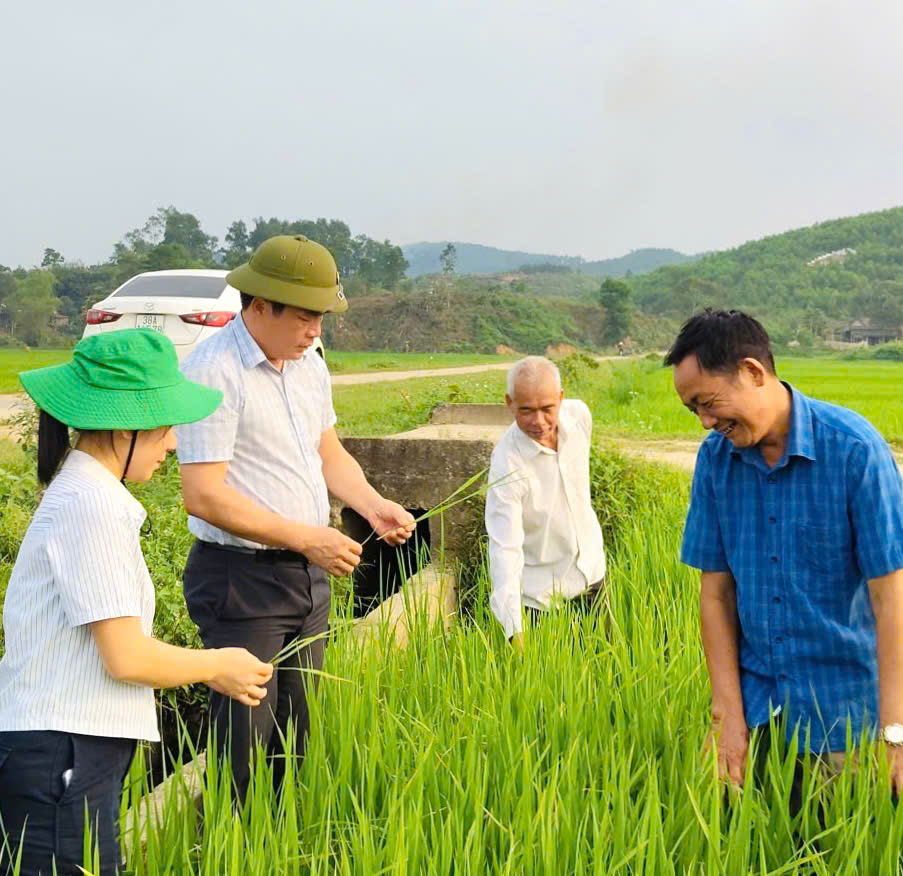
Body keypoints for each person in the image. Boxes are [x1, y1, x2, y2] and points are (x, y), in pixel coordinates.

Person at [0, 329, 273, 876]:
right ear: (126, 427)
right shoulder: (91, 506)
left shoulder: (91, 495)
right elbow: (126, 657)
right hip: (62, 750)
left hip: (66, 749)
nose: (172, 443)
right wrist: (218, 665)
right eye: (166, 426)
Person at [176, 234, 415, 798]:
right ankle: (237, 837)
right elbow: (203, 495)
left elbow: (327, 452)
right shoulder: (214, 371)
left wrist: (372, 505)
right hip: (242, 583)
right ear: (261, 306)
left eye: (322, 318)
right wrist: (307, 538)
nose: (315, 331)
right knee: (245, 744)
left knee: (296, 732)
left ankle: (283, 834)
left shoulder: (309, 365)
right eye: (306, 317)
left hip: (306, 579)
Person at [666, 309, 903, 793]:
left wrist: (896, 729)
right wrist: (727, 715)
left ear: (753, 371)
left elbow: (891, 595)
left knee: (850, 835)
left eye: (708, 402)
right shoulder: (715, 460)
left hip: (846, 718)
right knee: (755, 835)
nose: (706, 422)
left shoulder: (854, 450)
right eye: (694, 411)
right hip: (760, 713)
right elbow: (716, 594)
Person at [485, 356, 606, 650]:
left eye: (547, 409)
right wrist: (514, 629)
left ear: (561, 399)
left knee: (605, 667)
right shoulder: (507, 464)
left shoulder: (579, 416)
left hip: (592, 576)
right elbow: (504, 547)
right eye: (526, 410)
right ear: (509, 403)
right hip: (541, 600)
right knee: (551, 676)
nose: (538, 422)